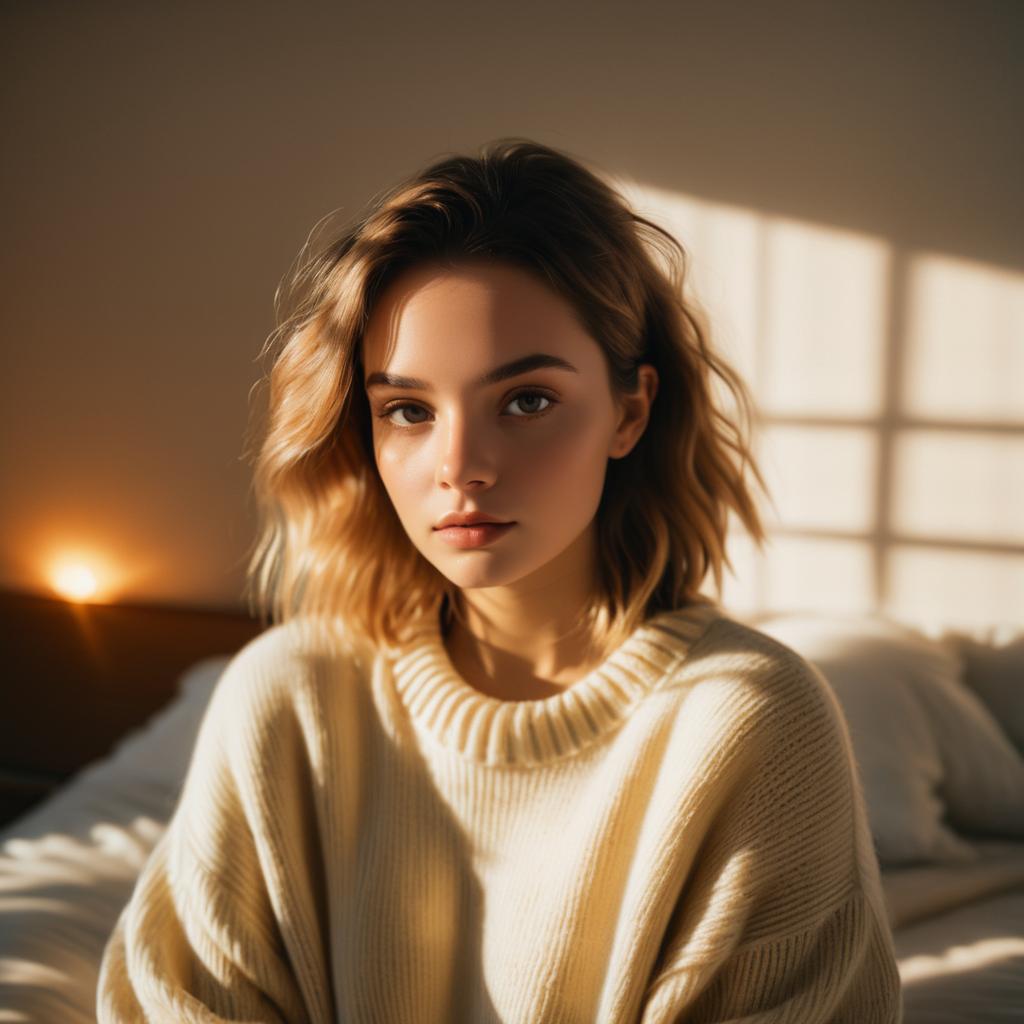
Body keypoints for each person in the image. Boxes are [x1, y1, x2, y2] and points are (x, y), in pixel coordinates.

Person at [96, 138, 903, 1022]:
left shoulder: (749, 721)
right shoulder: (288, 698)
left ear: (629, 411)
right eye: (408, 410)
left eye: (525, 401)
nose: (462, 467)